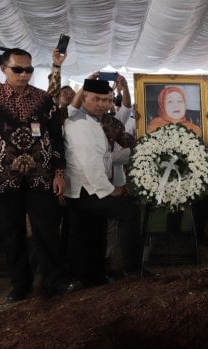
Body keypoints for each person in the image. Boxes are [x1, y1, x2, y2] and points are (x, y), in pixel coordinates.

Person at [0, 48, 81, 302]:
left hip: (41, 177)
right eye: (18, 69)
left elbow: (57, 139)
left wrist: (59, 174)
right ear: (3, 69)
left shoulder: (44, 100)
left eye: (28, 69)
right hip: (3, 179)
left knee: (47, 230)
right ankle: (20, 284)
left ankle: (54, 281)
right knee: (11, 232)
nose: (24, 74)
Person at [63, 79, 143, 286]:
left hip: (87, 190)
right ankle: (133, 272)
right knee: (129, 212)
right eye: (96, 99)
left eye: (107, 100)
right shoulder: (80, 123)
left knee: (92, 233)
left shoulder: (93, 122)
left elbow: (104, 157)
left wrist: (136, 153)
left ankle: (92, 277)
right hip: (85, 191)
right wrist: (111, 190)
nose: (102, 104)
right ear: (84, 98)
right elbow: (89, 163)